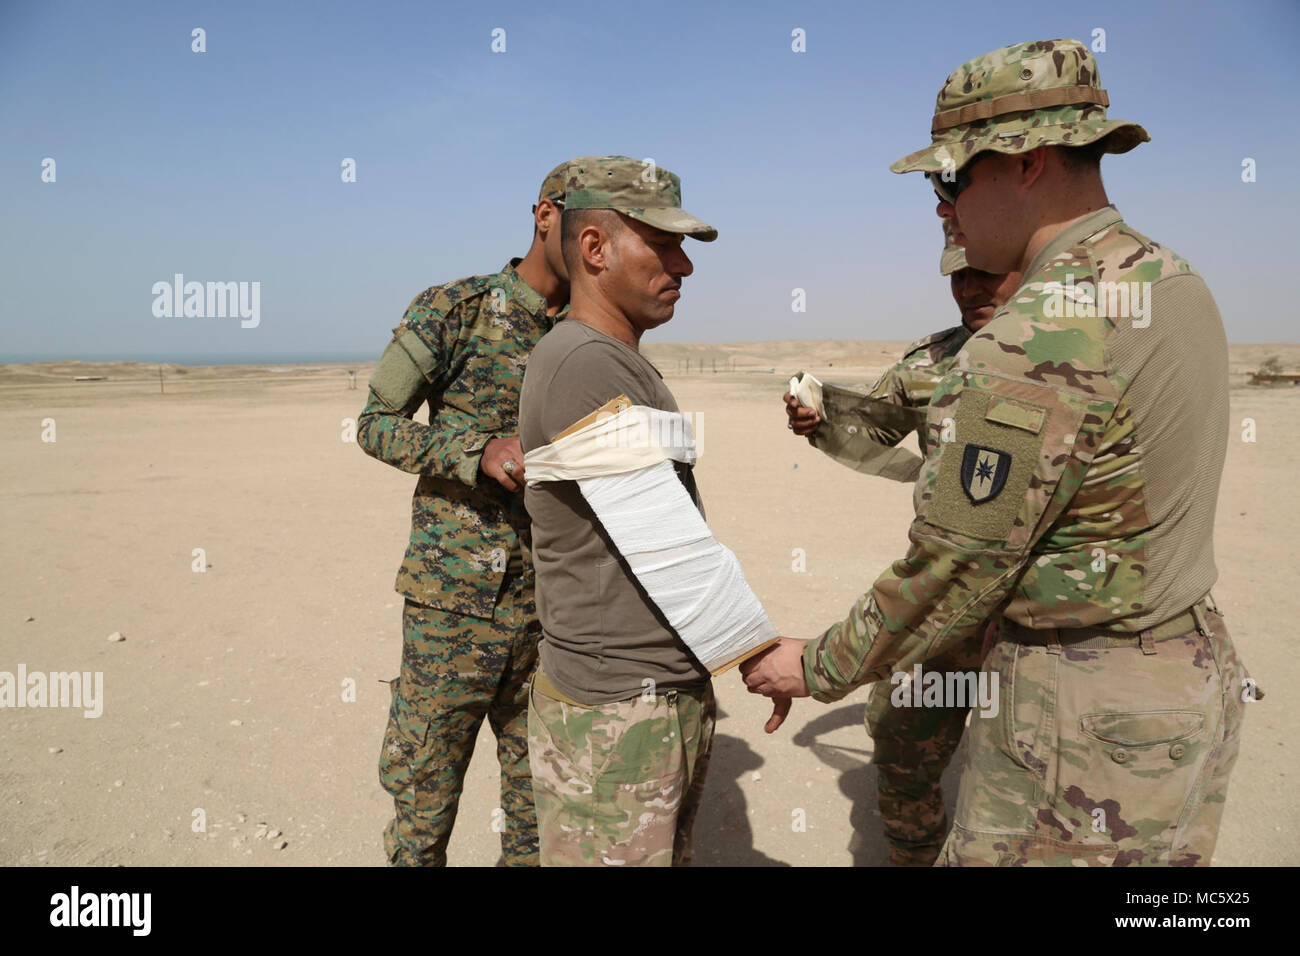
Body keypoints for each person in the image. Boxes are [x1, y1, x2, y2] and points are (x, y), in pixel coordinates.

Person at [743, 37, 1256, 866]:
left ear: (1028, 159)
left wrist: (820, 664)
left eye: (951, 179)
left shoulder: (1037, 337)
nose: (941, 207)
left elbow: (956, 563)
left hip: (1078, 724)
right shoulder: (1167, 280)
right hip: (1181, 682)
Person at [519, 155, 778, 866]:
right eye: (661, 244)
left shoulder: (615, 358)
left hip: (652, 696)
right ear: (595, 249)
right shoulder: (583, 362)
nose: (683, 266)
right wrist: (761, 651)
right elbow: (669, 547)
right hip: (616, 713)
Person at [782, 223, 1021, 865]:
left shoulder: (1065, 358)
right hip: (945, 602)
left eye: (986, 274)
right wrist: (820, 415)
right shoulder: (932, 363)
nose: (971, 288)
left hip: (1033, 615)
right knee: (901, 742)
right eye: (959, 276)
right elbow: (874, 426)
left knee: (1027, 774)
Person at [357, 161, 572, 866]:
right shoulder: (455, 309)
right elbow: (375, 423)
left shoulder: (588, 338)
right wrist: (472, 451)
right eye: (588, 227)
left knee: (538, 821)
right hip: (451, 612)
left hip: (550, 617)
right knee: (423, 815)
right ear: (544, 216)